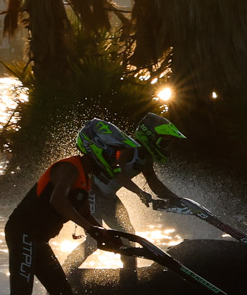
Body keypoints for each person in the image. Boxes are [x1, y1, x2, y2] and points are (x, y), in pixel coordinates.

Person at [0, 118, 138, 295]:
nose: (117, 159)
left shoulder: (87, 177)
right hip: (23, 232)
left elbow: (84, 213)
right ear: (98, 148)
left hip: (38, 239)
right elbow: (58, 201)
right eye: (115, 153)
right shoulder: (69, 168)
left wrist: (110, 238)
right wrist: (92, 231)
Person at [62, 113, 187, 279]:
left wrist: (175, 198)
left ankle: (129, 280)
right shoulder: (127, 148)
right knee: (93, 242)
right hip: (91, 192)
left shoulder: (146, 159)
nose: (166, 147)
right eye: (164, 143)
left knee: (129, 236)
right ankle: (63, 274)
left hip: (107, 197)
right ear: (151, 137)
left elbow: (154, 183)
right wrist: (139, 193)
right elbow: (118, 174)